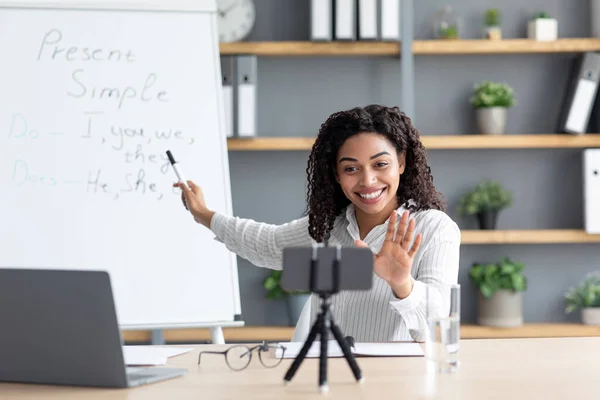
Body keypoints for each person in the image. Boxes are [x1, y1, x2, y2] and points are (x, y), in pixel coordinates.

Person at [174, 104, 460, 342]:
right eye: (351, 168)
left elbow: (436, 326)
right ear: (336, 175)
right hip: (328, 380)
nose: (367, 180)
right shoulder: (329, 228)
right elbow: (267, 244)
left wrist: (401, 283)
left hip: (395, 385)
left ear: (401, 162)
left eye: (380, 164)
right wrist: (203, 214)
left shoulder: (435, 229)